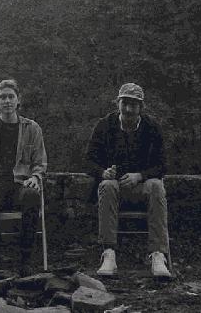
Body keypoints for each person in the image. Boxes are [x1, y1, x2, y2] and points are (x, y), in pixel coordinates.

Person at [86, 83, 171, 278]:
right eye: (124, 103)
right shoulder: (105, 125)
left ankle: (158, 255)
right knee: (106, 185)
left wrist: (140, 175)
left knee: (156, 185)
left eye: (134, 104)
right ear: (118, 103)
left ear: (141, 107)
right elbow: (88, 160)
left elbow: (163, 165)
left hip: (143, 187)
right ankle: (109, 253)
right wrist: (103, 172)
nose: (128, 109)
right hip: (114, 188)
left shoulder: (152, 127)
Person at [0, 79, 47, 275]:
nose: (7, 101)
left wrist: (36, 177)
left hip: (21, 183)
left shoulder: (32, 128)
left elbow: (40, 162)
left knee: (32, 195)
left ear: (18, 100)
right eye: (2, 97)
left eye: (11, 96)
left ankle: (25, 257)